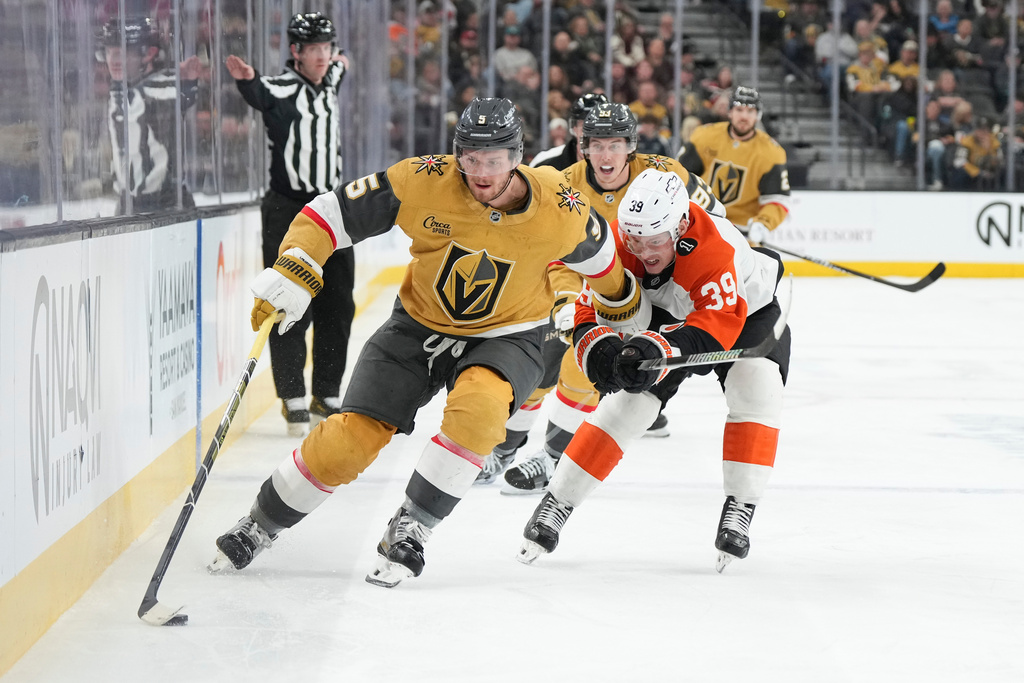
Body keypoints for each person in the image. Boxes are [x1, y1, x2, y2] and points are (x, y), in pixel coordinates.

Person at [209, 97, 636, 588]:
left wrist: (626, 324)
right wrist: (298, 263)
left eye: (493, 160)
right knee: (349, 440)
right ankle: (260, 523)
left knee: (479, 413)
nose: (479, 171)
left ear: (517, 156)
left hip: (507, 336)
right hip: (415, 328)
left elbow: (607, 269)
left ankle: (413, 523)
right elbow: (331, 213)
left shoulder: (561, 206)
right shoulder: (424, 179)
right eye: (470, 157)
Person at [516, 168, 792, 573]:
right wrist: (599, 348)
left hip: (749, 312)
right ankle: (556, 501)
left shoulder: (712, 248)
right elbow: (590, 305)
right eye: (635, 240)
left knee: (756, 388)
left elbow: (719, 323)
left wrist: (655, 346)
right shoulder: (620, 238)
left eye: (655, 240)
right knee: (630, 405)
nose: (644, 251)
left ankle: (740, 505)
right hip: (670, 310)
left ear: (680, 225)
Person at [483, 102, 728, 497]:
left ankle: (550, 458)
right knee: (540, 365)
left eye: (615, 145)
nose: (606, 155)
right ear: (584, 147)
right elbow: (549, 253)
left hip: (643, 293)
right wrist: (565, 299)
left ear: (631, 146)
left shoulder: (667, 174)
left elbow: (715, 216)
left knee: (589, 369)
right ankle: (505, 449)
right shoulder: (562, 184)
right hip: (576, 288)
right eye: (597, 145)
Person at [226, 12, 356, 435]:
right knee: (287, 301)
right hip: (288, 210)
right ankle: (293, 396)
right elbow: (259, 92)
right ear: (296, 53)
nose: (322, 57)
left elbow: (340, 67)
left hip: (333, 209)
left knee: (338, 304)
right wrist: (246, 80)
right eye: (313, 49)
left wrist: (341, 60)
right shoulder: (281, 88)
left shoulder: (332, 75)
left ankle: (327, 392)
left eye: (327, 48)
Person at [99, 16, 200, 214]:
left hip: (167, 205)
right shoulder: (119, 91)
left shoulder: (162, 86)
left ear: (149, 53)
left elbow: (173, 91)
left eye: (122, 53)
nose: (113, 61)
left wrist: (185, 83)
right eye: (110, 52)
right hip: (129, 206)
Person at [677, 86, 791, 246]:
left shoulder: (772, 153)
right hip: (701, 224)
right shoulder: (704, 136)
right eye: (739, 109)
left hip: (742, 235)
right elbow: (679, 178)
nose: (744, 116)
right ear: (730, 112)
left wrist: (763, 223)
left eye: (750, 111)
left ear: (758, 115)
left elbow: (777, 200)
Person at [530, 92, 608, 169]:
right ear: (575, 128)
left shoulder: (618, 164)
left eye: (600, 127)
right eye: (586, 127)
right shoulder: (544, 163)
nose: (592, 135)